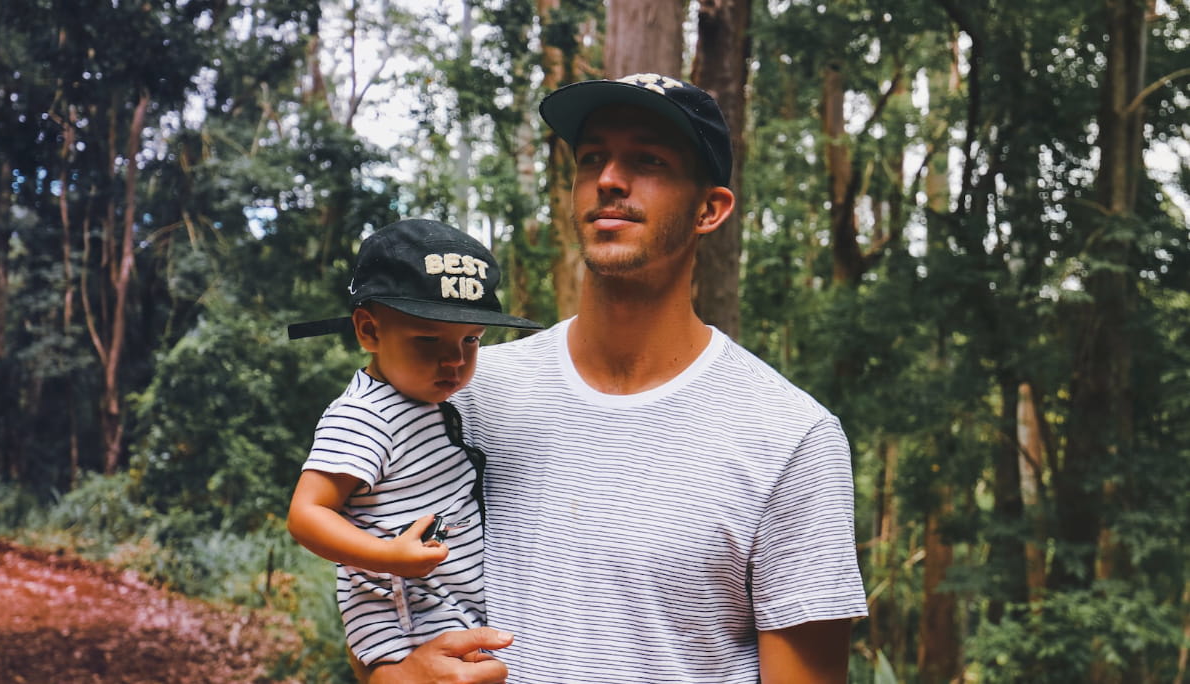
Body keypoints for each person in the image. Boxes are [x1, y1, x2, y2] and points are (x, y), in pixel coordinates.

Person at [368, 73, 870, 684]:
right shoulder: (463, 391)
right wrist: (388, 675)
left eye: (648, 159)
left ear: (708, 209)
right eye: (593, 158)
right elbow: (373, 586)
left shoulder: (790, 437)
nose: (609, 179)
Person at [285, 218, 542, 667]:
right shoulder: (363, 415)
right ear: (369, 331)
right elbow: (306, 515)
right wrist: (388, 556)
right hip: (405, 621)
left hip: (446, 602)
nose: (456, 361)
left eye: (472, 341)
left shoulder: (428, 398)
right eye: (428, 340)